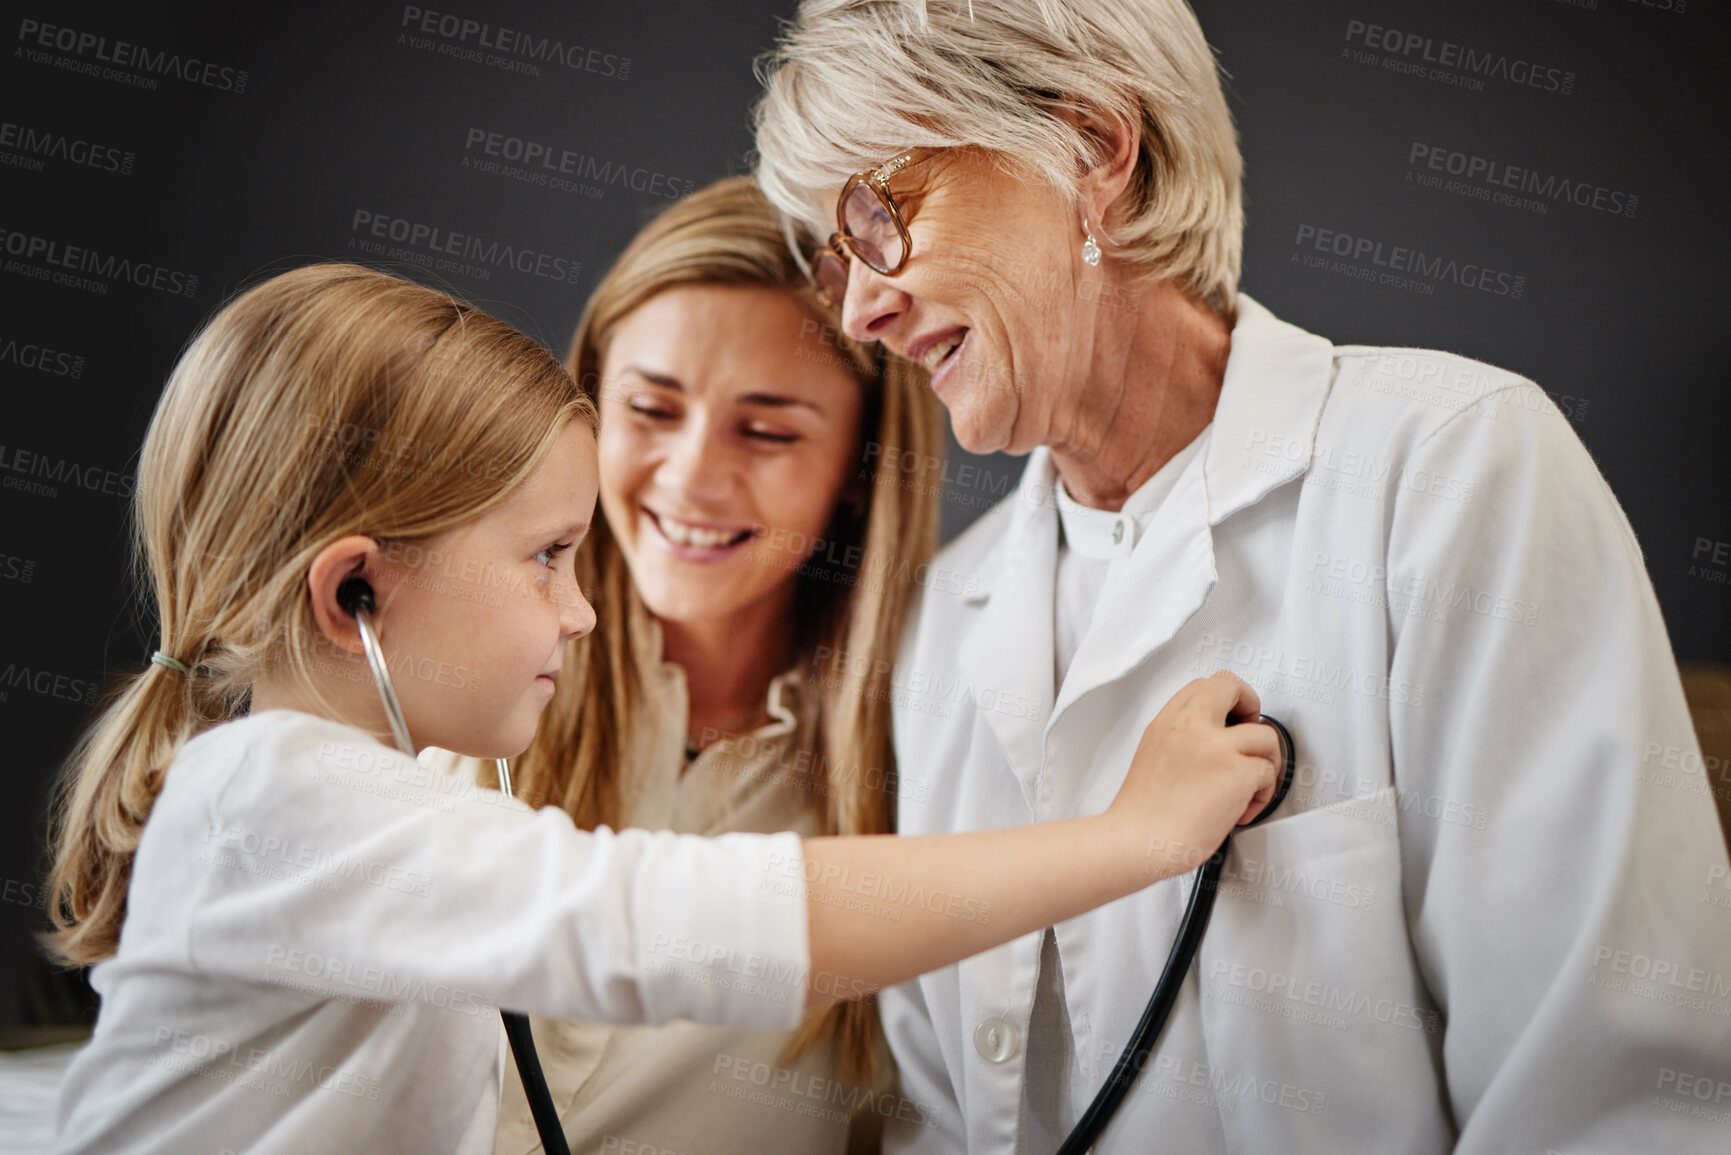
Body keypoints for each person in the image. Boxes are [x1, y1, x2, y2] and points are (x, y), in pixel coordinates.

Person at [751, 1, 1731, 1152]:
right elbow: (944, 1117)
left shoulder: (1452, 471)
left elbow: (1605, 1103)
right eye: (834, 258)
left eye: (879, 215)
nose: (862, 308)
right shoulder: (947, 618)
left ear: (1094, 150)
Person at [40, 263, 1281, 1155]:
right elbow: (666, 922)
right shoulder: (274, 793)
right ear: (355, 587)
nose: (582, 613)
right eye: (544, 559)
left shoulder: (366, 797)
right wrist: (1134, 840)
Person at [421, 175, 945, 1153]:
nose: (694, 478)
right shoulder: (428, 681)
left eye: (767, 430)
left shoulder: (926, 769)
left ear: (860, 469)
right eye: (652, 410)